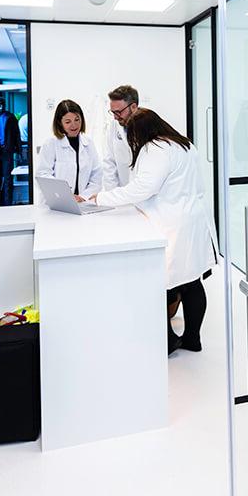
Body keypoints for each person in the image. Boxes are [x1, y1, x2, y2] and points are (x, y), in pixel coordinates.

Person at [93, 108, 216, 355]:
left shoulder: (154, 149)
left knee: (160, 284)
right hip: (193, 220)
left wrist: (101, 198)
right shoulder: (183, 144)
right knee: (192, 281)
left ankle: (168, 341)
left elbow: (142, 189)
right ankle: (192, 338)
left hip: (172, 224)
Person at [34, 99, 102, 201]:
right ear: (60, 123)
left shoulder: (88, 143)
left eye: (77, 119)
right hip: (57, 202)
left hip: (83, 202)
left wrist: (83, 197)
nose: (74, 125)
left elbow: (96, 176)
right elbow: (43, 175)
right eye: (68, 122)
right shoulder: (51, 144)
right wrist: (66, 195)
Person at [102, 84, 138, 190]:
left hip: (144, 197)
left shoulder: (148, 127)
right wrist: (112, 195)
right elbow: (109, 163)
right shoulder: (114, 126)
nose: (115, 117)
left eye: (118, 112)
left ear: (133, 107)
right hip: (121, 196)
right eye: (113, 112)